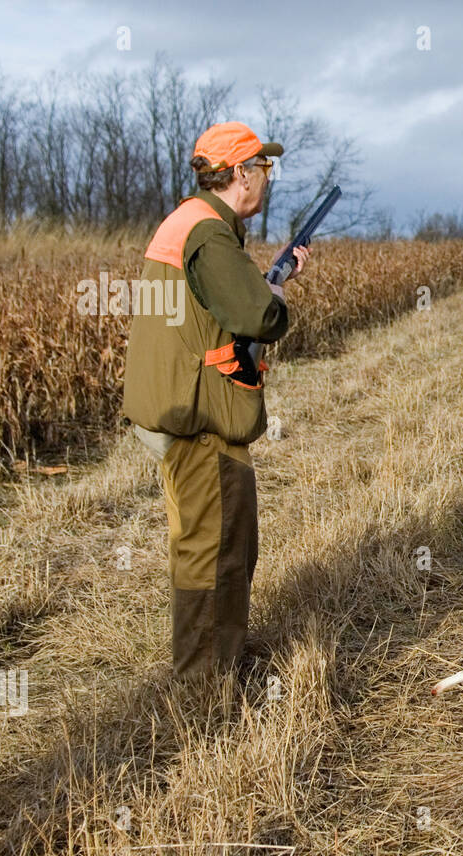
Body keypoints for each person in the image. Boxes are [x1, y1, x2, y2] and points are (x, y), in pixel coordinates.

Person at [121, 121, 311, 681]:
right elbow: (260, 317)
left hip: (179, 411)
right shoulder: (209, 232)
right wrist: (273, 293)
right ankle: (205, 689)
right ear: (240, 174)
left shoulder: (190, 221)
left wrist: (268, 278)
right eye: (263, 168)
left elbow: (216, 308)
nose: (267, 178)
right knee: (216, 553)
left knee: (214, 545)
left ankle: (215, 664)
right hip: (201, 422)